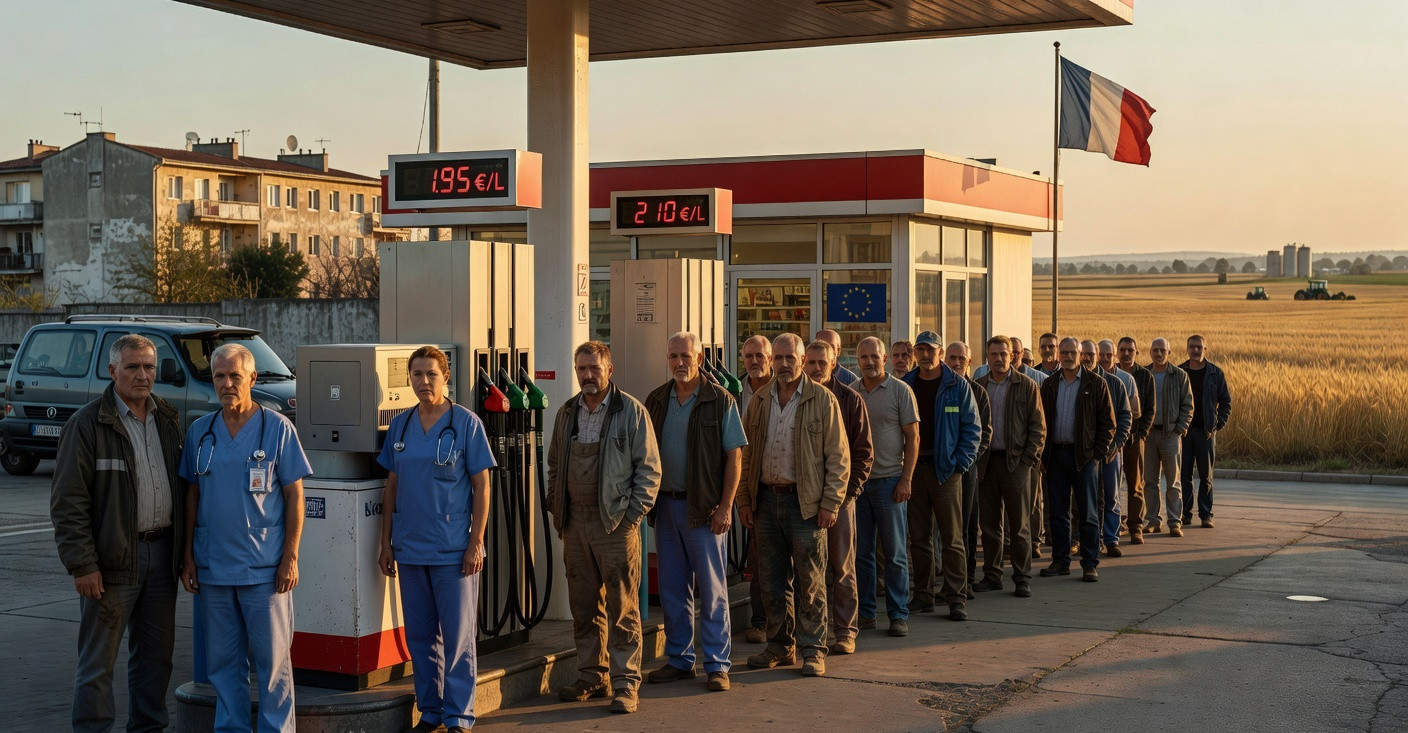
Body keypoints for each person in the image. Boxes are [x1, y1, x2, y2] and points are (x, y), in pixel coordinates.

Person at [51, 334, 185, 733]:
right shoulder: (88, 424)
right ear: (112, 372)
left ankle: (148, 728)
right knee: (98, 665)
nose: (142, 375)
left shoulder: (167, 418)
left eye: (148, 367)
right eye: (132, 367)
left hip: (162, 558)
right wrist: (83, 564)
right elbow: (68, 503)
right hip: (110, 565)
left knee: (156, 661)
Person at [179, 343, 310, 733]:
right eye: (219, 376)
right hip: (214, 568)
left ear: (252, 378)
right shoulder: (201, 432)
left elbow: (294, 495)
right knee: (223, 664)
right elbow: (192, 495)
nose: (227, 383)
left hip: (264, 569)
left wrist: (290, 556)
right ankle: (232, 728)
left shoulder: (277, 428)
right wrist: (187, 557)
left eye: (235, 376)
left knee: (272, 665)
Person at [377, 346, 496, 733]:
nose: (424, 381)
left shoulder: (466, 424)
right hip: (411, 547)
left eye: (431, 374)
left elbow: (482, 486)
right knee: (421, 636)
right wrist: (386, 542)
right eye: (417, 375)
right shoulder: (401, 426)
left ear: (446, 377)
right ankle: (430, 711)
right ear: (409, 379)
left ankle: (459, 715)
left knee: (458, 637)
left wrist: (475, 541)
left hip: (452, 550)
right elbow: (390, 485)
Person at [547, 341, 661, 714]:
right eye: (581, 368)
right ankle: (592, 675)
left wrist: (631, 519)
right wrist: (557, 507)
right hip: (575, 524)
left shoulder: (631, 411)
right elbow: (553, 467)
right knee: (583, 606)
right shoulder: (567, 413)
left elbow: (649, 472)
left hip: (615, 525)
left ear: (609, 370)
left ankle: (626, 683)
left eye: (594, 368)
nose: (587, 375)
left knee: (622, 608)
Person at [737, 333, 849, 677]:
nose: (784, 364)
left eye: (791, 358)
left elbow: (839, 459)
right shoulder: (759, 400)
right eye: (779, 358)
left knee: (811, 581)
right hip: (766, 502)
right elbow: (746, 454)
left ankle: (813, 649)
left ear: (803, 360)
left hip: (807, 506)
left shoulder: (823, 400)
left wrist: (830, 503)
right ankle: (780, 646)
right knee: (771, 580)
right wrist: (743, 500)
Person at [644, 332, 746, 693]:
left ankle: (717, 664)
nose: (679, 363)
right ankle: (679, 660)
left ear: (700, 358)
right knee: (673, 589)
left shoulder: (720, 400)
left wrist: (726, 506)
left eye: (685, 356)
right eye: (673, 356)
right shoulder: (656, 399)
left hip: (704, 511)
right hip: (666, 507)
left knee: (713, 590)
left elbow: (735, 456)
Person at [901, 331, 981, 621]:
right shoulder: (905, 384)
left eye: (930, 350)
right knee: (919, 538)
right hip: (913, 470)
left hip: (945, 471)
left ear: (940, 352)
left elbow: (973, 429)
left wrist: (960, 464)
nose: (925, 355)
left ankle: (955, 597)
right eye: (919, 350)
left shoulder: (956, 385)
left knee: (952, 538)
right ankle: (923, 595)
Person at [804, 340, 873, 655]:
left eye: (823, 363)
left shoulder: (850, 399)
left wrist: (846, 495)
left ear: (834, 364)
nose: (817, 369)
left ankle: (845, 631)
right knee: (807, 569)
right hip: (802, 499)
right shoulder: (796, 398)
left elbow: (863, 455)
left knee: (842, 566)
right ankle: (807, 633)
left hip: (840, 498)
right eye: (812, 362)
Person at [854, 337, 919, 636]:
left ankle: (898, 614)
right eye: (864, 357)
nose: (869, 362)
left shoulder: (900, 391)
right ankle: (866, 614)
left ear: (885, 359)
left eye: (874, 356)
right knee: (862, 554)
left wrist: (906, 479)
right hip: (857, 487)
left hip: (891, 482)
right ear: (857, 360)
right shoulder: (851, 392)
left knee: (894, 554)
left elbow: (913, 438)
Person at [971, 336, 1045, 598]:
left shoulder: (1026, 386)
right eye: (993, 354)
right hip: (987, 463)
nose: (999, 358)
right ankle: (992, 575)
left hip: (1017, 464)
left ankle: (1022, 576)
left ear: (1013, 356)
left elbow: (1038, 427)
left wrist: (1028, 460)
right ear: (987, 357)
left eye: (1003, 353)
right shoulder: (978, 386)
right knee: (989, 525)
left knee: (1019, 524)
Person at [1038, 337, 1115, 583]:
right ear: (1059, 354)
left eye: (1073, 352)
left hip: (1084, 458)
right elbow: (1039, 423)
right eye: (1065, 352)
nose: (1068, 356)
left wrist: (1096, 453)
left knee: (1088, 512)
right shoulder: (1049, 385)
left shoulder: (1096, 383)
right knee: (1058, 513)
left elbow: (1108, 424)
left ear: (1081, 354)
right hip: (1056, 456)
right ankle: (1060, 561)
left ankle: (1090, 563)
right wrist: (1042, 454)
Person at [945, 341, 990, 594]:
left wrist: (965, 461)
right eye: (952, 357)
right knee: (945, 528)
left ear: (970, 362)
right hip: (941, 469)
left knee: (968, 526)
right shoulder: (942, 388)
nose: (957, 362)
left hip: (966, 469)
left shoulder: (978, 392)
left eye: (962, 358)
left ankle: (968, 578)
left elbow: (984, 433)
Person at [737, 334, 772, 643]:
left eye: (759, 355)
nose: (754, 361)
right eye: (749, 356)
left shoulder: (784, 390)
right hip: (749, 485)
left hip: (783, 485)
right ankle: (760, 623)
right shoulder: (734, 392)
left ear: (770, 358)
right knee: (758, 559)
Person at [1179, 334, 1232, 528]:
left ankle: (1205, 514)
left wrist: (1217, 425)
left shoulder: (1215, 373)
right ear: (1187, 349)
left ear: (1205, 349)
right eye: (1192, 347)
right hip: (1183, 432)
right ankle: (1185, 514)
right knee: (1184, 475)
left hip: (1205, 432)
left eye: (1199, 347)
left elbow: (1226, 401)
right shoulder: (1179, 371)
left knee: (1206, 476)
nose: (1195, 350)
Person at [1086, 340, 1133, 558]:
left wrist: (1117, 444)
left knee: (1112, 496)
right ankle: (1090, 539)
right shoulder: (1079, 382)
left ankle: (1111, 538)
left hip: (1111, 450)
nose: (1101, 358)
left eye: (1105, 355)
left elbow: (1126, 416)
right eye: (1084, 354)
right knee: (1089, 497)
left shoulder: (1116, 383)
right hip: (1087, 451)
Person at [1143, 338, 1193, 537]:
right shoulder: (1144, 375)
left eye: (1163, 350)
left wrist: (1179, 429)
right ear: (1150, 352)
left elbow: (1188, 405)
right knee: (1150, 481)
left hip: (1170, 434)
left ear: (1169, 353)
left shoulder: (1179, 375)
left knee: (1173, 481)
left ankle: (1174, 522)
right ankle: (1153, 521)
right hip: (1148, 435)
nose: (1159, 353)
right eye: (1155, 350)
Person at [1116, 337, 1155, 545]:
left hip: (1133, 439)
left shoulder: (1144, 376)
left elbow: (1149, 410)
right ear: (1117, 353)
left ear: (1137, 352)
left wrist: (1141, 434)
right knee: (1110, 487)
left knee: (1135, 485)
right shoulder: (1110, 374)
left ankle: (1135, 526)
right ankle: (1114, 526)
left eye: (1130, 350)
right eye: (1122, 350)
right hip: (1112, 441)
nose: (1126, 353)